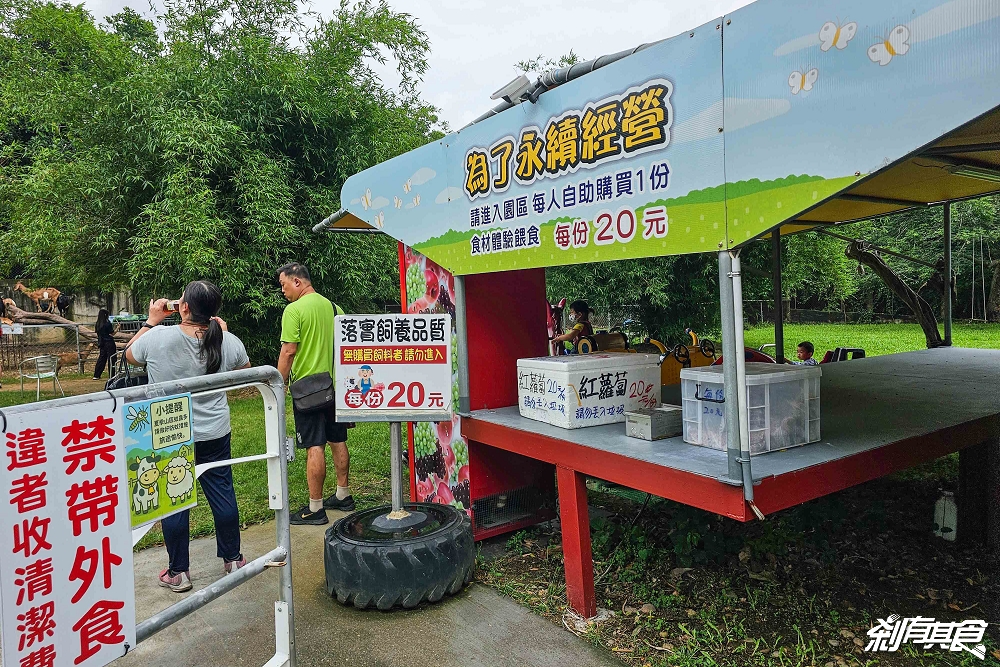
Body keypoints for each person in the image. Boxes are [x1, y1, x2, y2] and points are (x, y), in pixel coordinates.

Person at [125, 281, 251, 592]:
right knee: (222, 492)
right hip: (215, 430)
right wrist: (223, 333)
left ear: (182, 308)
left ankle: (178, 572)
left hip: (170, 431)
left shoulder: (157, 337)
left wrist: (151, 321)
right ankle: (233, 560)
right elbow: (245, 372)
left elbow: (129, 355)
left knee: (174, 499)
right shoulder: (228, 341)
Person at [276, 262, 352, 525]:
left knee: (314, 446)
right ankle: (343, 495)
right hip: (335, 388)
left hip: (308, 393)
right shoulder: (335, 308)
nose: (283, 291)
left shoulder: (294, 310)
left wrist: (278, 383)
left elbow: (288, 351)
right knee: (337, 440)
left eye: (284, 285)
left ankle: (316, 508)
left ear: (297, 282)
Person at [91, 309, 118, 380]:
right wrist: (117, 328)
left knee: (102, 358)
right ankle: (112, 375)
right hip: (109, 342)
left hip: (101, 342)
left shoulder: (98, 324)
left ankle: (97, 375)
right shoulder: (107, 323)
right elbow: (112, 333)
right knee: (112, 358)